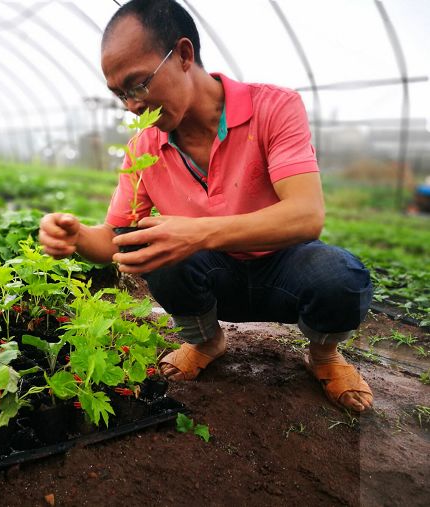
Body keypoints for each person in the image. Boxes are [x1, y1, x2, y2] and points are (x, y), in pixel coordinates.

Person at [38, 0, 373, 412]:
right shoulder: (144, 147)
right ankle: (206, 341)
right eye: (121, 95)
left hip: (283, 269)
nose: (132, 105)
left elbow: (307, 215)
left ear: (183, 55)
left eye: (138, 84)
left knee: (339, 276)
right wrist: (77, 237)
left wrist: (196, 232)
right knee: (151, 250)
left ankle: (323, 356)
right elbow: (115, 239)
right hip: (213, 276)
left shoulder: (273, 107)